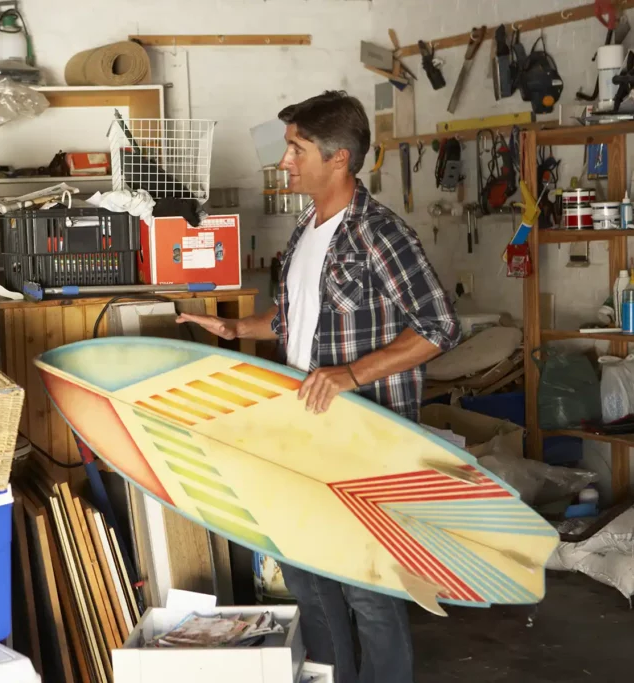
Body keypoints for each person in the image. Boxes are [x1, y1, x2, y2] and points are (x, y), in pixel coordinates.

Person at [178, 91, 460, 683]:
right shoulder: (307, 226)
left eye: (296, 149)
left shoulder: (380, 234)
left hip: (362, 441)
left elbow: (440, 327)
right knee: (307, 577)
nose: (285, 161)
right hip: (302, 433)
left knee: (369, 593)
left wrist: (351, 375)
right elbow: (294, 319)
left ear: (338, 159)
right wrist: (236, 327)